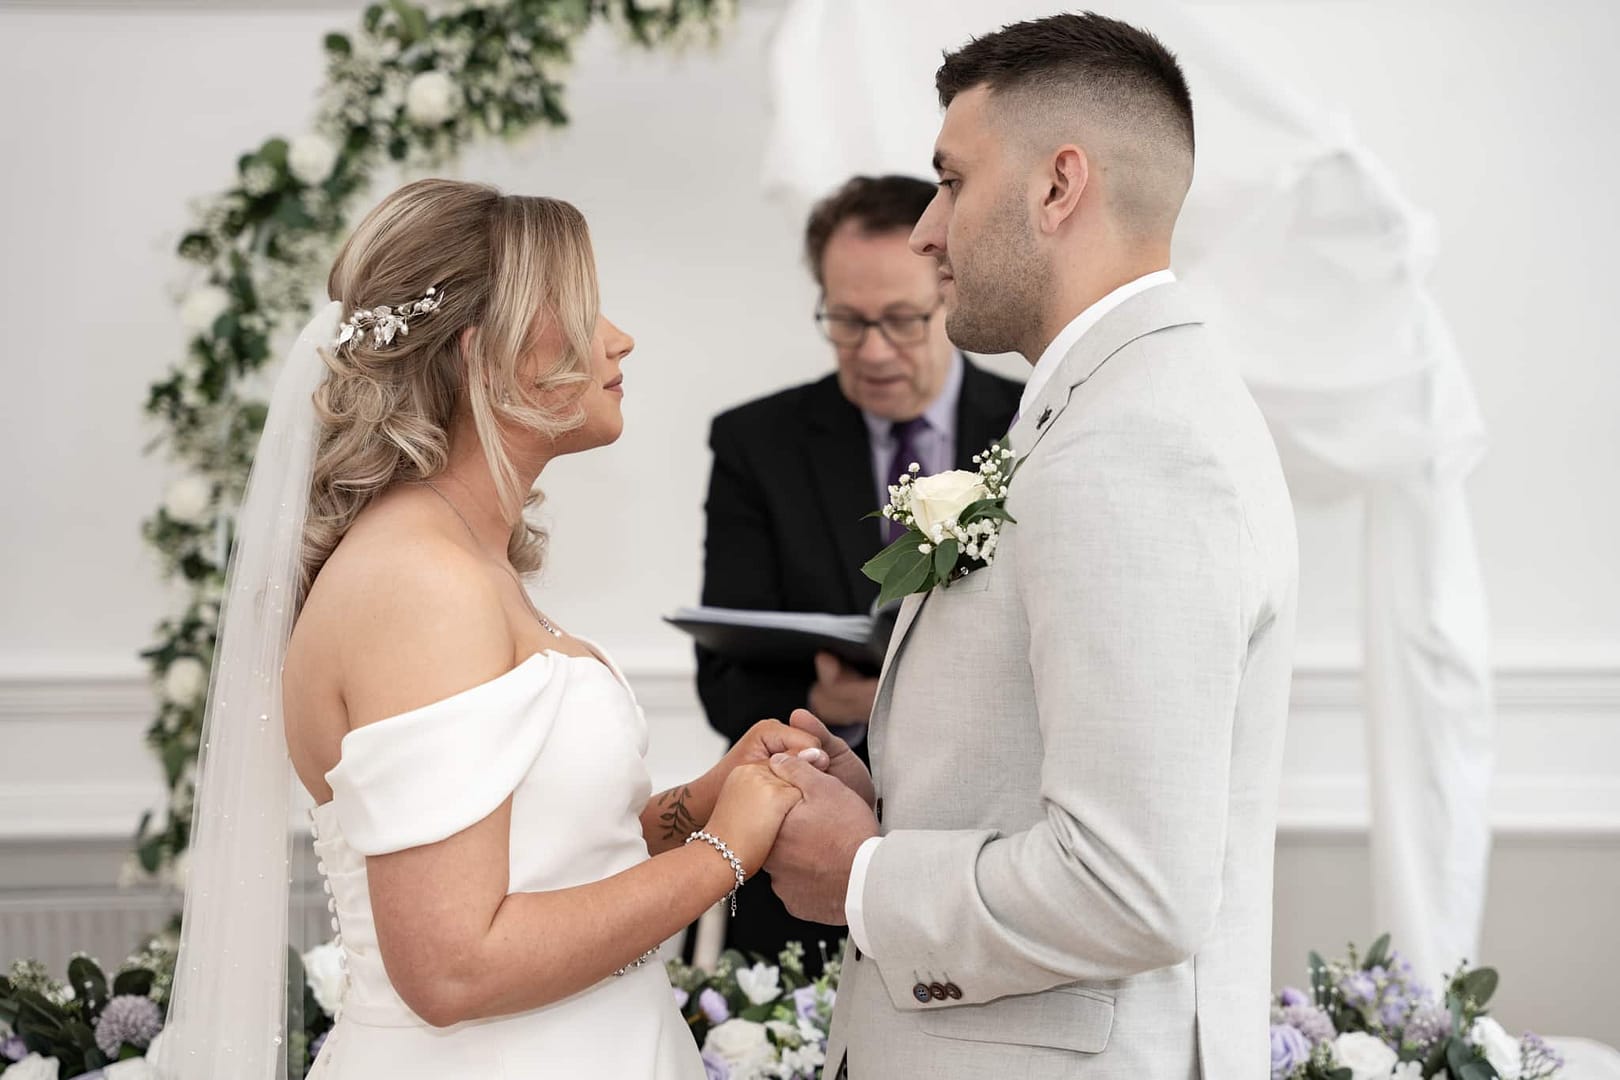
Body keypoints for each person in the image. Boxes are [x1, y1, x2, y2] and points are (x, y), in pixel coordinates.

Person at [153, 179, 853, 1079]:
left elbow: (544, 873)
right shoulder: (419, 583)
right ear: (488, 354)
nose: (620, 338)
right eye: (583, 309)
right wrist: (727, 854)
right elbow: (452, 965)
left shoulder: (456, 563)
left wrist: (703, 802)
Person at [761, 14, 1299, 1079]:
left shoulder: (1138, 445)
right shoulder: (1100, 411)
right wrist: (893, 801)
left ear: (1059, 187)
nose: (925, 229)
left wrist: (864, 876)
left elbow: (1132, 885)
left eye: (952, 181)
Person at [695, 174, 1021, 969]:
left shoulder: (1034, 424)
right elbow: (721, 684)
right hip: (805, 870)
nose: (873, 351)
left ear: (952, 290)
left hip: (995, 857)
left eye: (903, 320)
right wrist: (818, 701)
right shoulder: (756, 444)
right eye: (846, 321)